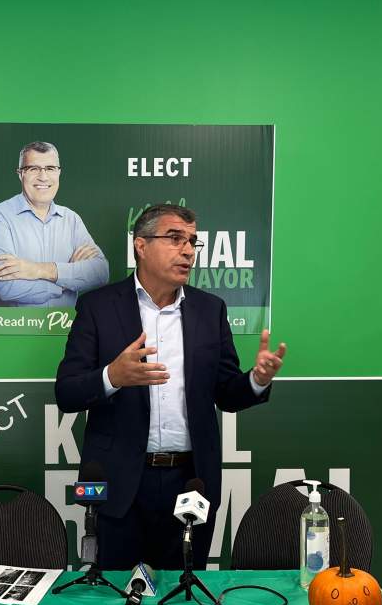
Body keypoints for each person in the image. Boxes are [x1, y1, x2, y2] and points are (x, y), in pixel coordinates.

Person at [55, 204, 286, 570]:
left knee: (185, 601)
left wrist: (256, 380)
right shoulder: (98, 307)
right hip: (121, 482)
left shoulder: (210, 310)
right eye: (175, 239)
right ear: (141, 246)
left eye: (193, 241)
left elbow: (226, 393)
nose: (188, 250)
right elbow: (66, 393)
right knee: (117, 603)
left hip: (190, 482)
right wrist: (112, 376)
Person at [0, 141, 109, 307]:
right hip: (15, 330)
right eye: (33, 168)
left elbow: (100, 273)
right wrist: (67, 280)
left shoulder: (71, 219)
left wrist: (39, 270)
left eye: (50, 168)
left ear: (59, 173)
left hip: (66, 330)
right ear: (20, 174)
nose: (43, 177)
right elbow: (6, 287)